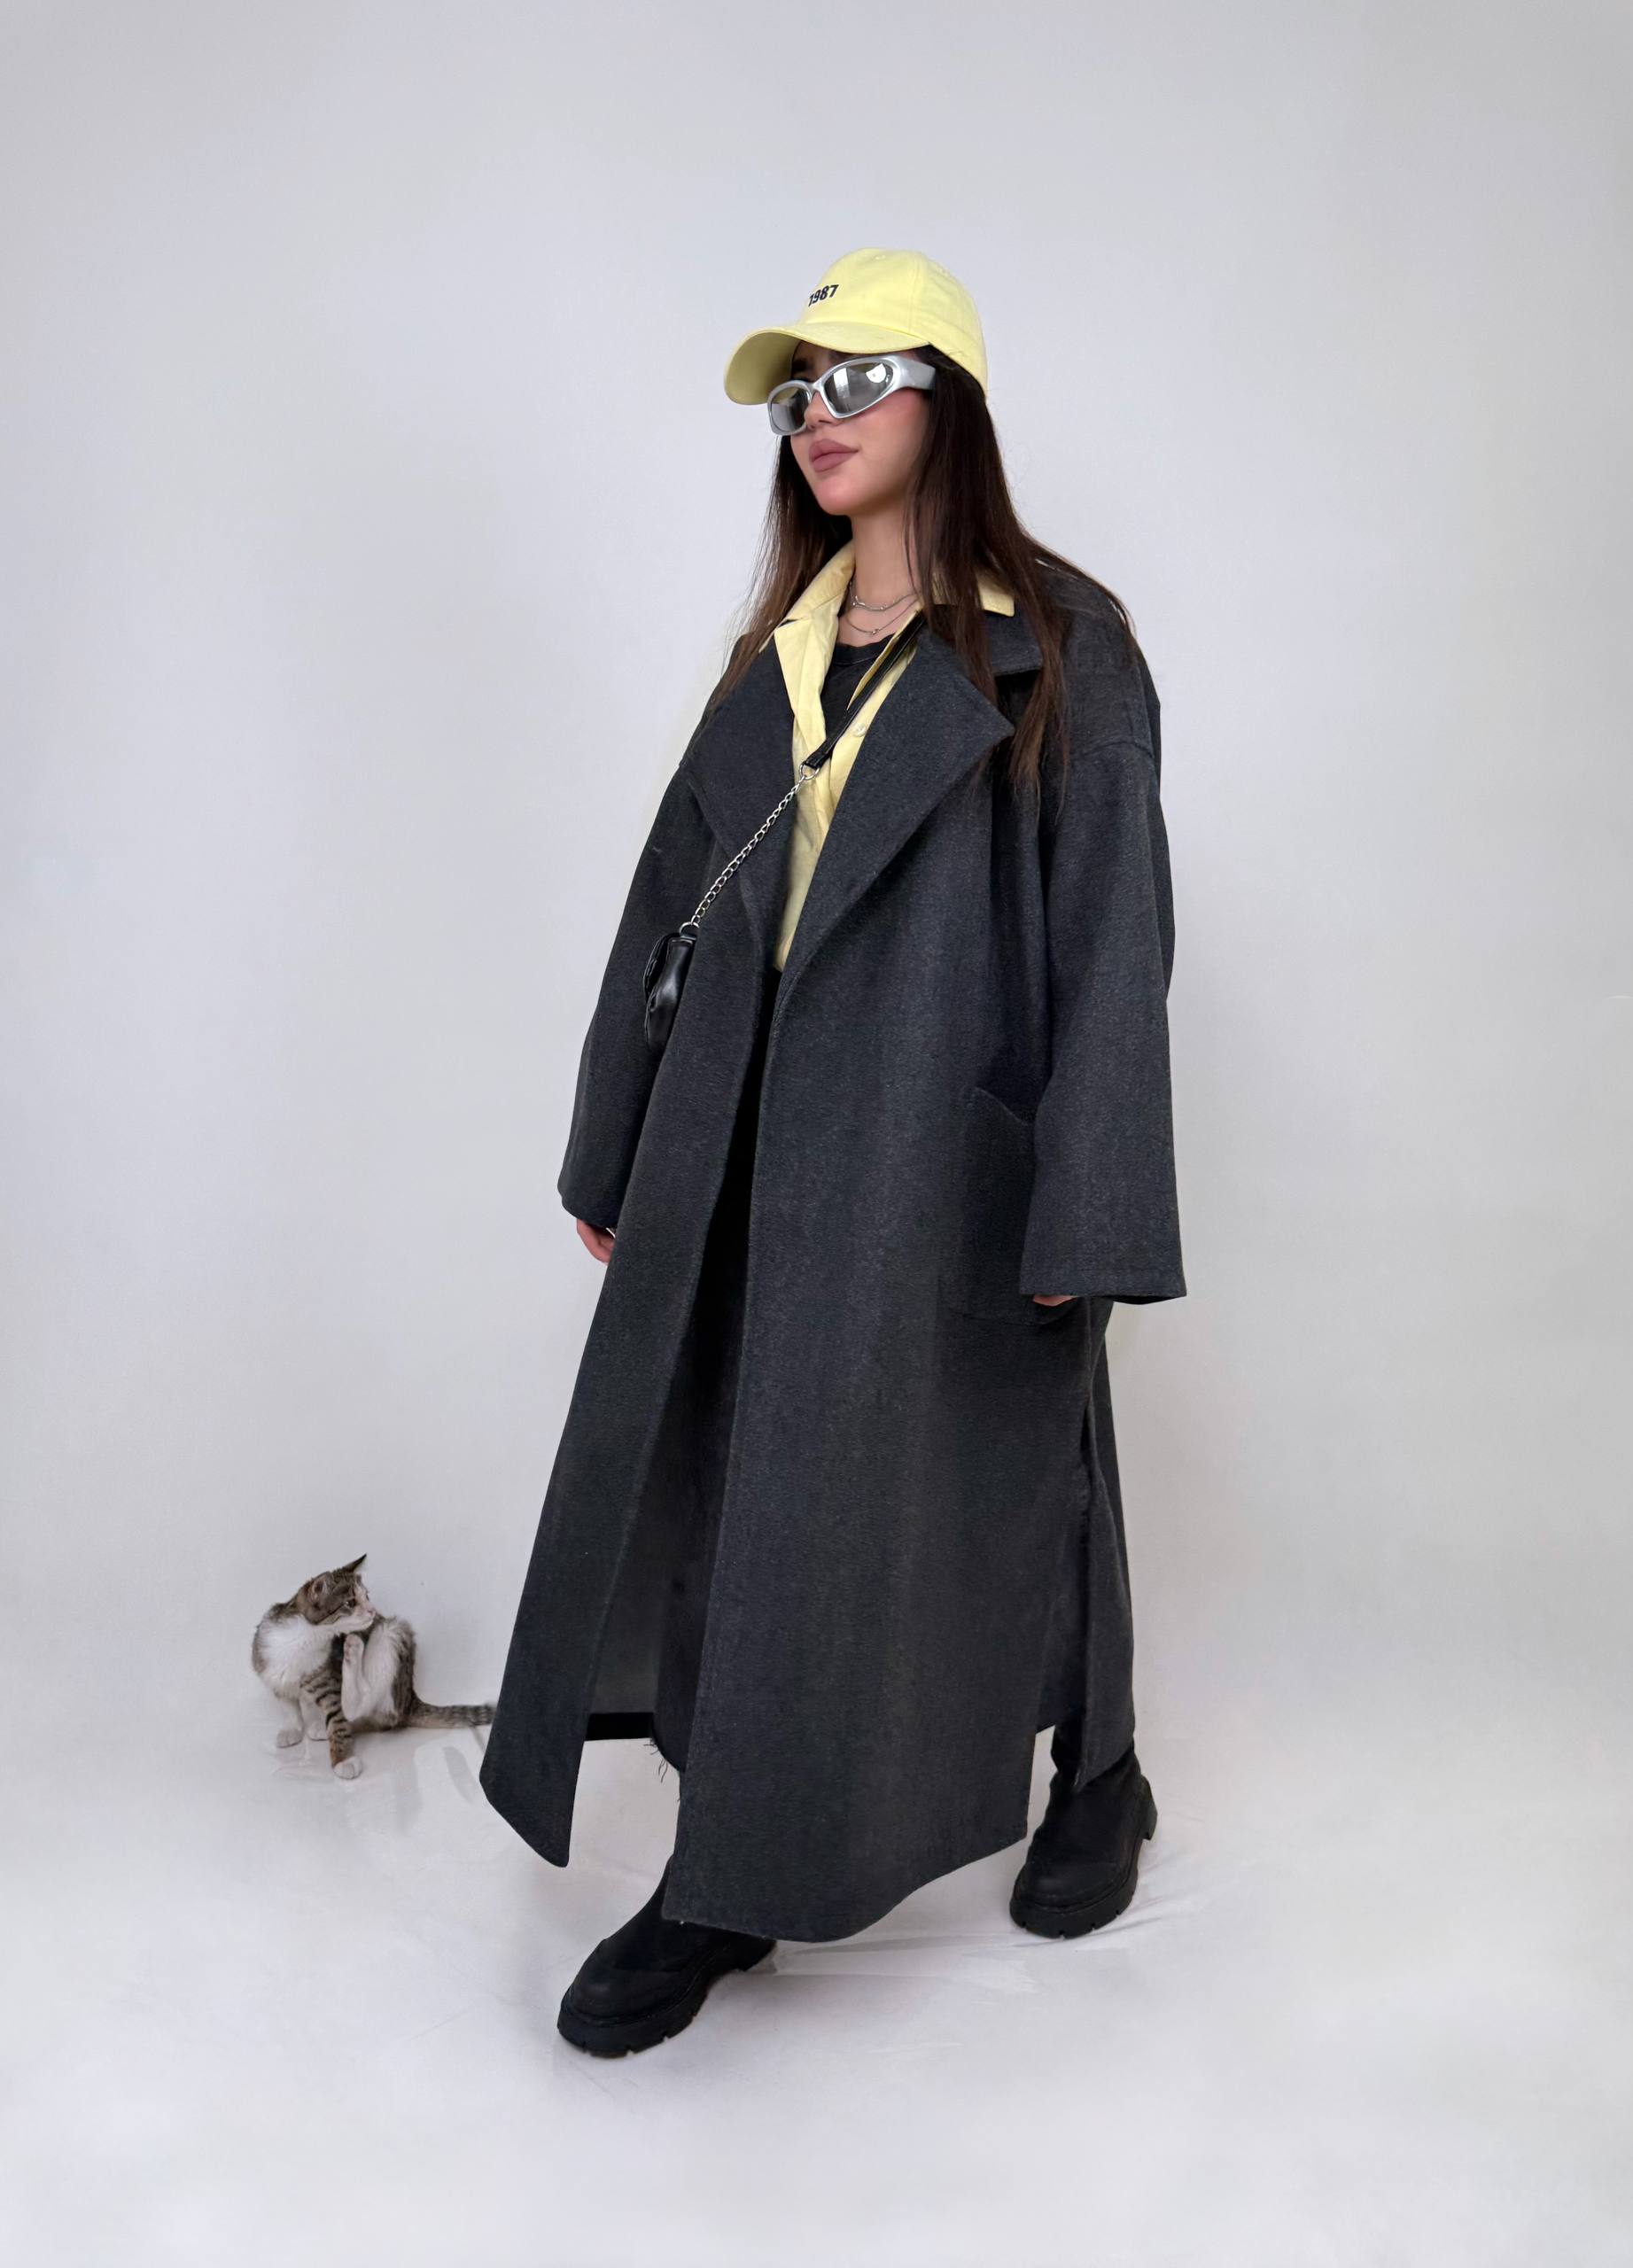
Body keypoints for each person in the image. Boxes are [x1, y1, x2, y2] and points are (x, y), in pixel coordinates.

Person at [478, 246, 1186, 2057]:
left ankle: (1097, 1773)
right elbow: (666, 907)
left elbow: (1115, 936)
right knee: (752, 1479)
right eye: (798, 394)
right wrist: (615, 1150)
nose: (818, 419)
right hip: (747, 1133)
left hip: (949, 1143)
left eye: (860, 379)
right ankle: (732, 1864)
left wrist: (1089, 1202)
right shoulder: (778, 657)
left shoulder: (1060, 646)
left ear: (950, 399)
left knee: (1027, 1467)